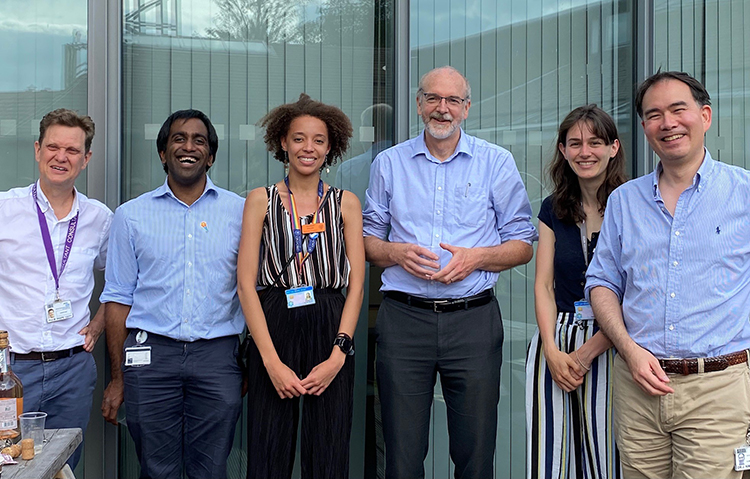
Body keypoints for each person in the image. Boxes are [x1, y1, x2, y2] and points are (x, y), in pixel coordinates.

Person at [363, 66, 537, 479]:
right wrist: (394, 252)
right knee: (401, 456)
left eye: (453, 100)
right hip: (404, 321)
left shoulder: (496, 163)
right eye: (433, 99)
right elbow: (368, 240)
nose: (443, 109)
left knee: (475, 453)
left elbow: (523, 244)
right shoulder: (390, 163)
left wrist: (475, 258)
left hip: (472, 321)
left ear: (467, 107)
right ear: (419, 104)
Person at [587, 71, 750, 478]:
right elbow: (602, 283)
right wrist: (628, 349)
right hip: (637, 388)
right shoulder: (625, 201)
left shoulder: (744, 193)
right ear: (644, 128)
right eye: (654, 114)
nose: (668, 123)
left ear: (705, 115)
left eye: (679, 109)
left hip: (717, 388)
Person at [100, 109, 245, 479]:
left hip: (218, 357)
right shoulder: (130, 216)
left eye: (199, 140)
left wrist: (251, 363)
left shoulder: (241, 213)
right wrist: (117, 379)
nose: (188, 146)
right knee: (156, 468)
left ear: (210, 156)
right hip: (150, 361)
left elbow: (255, 292)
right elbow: (117, 300)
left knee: (211, 469)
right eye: (178, 138)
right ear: (163, 153)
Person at [238, 93, 365, 479]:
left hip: (331, 322)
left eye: (318, 140)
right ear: (282, 142)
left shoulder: (346, 203)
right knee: (268, 449)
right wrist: (271, 362)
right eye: (298, 138)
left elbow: (358, 283)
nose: (308, 148)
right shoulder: (260, 200)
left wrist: (339, 353)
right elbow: (245, 284)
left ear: (331, 148)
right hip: (274, 320)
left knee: (328, 452)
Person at [0, 109, 111, 469]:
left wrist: (99, 322)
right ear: (37, 150)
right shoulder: (5, 209)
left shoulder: (100, 219)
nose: (60, 157)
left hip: (72, 369)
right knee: (9, 463)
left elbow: (124, 284)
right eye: (52, 147)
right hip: (12, 371)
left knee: (62, 467)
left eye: (72, 150)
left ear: (86, 158)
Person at [525, 105, 626, 479]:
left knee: (607, 457)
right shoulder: (553, 208)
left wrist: (586, 353)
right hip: (557, 337)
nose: (585, 152)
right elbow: (544, 284)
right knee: (551, 456)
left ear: (613, 148)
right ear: (563, 151)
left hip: (614, 341)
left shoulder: (633, 203)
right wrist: (551, 349)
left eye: (595, 142)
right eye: (575, 143)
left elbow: (637, 293)